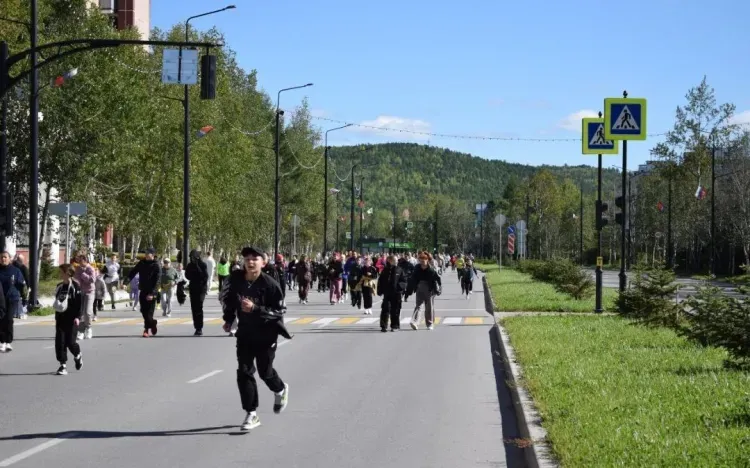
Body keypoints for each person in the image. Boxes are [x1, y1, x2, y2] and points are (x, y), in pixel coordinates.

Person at [221, 246, 292, 431]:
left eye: (255, 258)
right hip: (244, 332)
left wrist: (255, 309)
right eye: (247, 259)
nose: (250, 262)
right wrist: (229, 320)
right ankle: (251, 413)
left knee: (264, 372)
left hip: (266, 334)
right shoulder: (236, 279)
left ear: (263, 262)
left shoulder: (270, 284)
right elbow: (228, 301)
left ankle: (280, 389)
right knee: (244, 371)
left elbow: (279, 312)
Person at [53, 264, 83, 375]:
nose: (60, 274)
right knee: (60, 342)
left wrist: (78, 317)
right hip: (61, 318)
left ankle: (78, 355)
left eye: (61, 272)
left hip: (72, 319)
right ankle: (63, 365)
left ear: (68, 273)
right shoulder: (59, 286)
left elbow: (79, 303)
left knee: (70, 342)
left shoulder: (75, 287)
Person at [127, 248, 160, 337]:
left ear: (153, 255)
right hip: (143, 290)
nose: (146, 255)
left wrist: (153, 294)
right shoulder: (142, 263)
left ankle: (146, 330)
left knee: (149, 312)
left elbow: (157, 281)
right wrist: (126, 281)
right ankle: (153, 323)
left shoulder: (156, 265)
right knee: (143, 310)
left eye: (148, 253)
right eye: (145, 253)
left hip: (152, 292)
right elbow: (133, 272)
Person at [407, 251, 442, 330]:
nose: (422, 261)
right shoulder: (417, 268)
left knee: (429, 307)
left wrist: (439, 288)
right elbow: (413, 279)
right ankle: (415, 322)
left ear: (427, 260)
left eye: (424, 260)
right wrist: (409, 289)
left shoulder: (431, 269)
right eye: (420, 260)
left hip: (430, 289)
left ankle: (429, 324)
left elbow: (438, 279)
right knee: (418, 306)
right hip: (419, 288)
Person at [376, 255, 406, 332]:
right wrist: (380, 290)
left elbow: (404, 281)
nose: (397, 261)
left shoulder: (400, 270)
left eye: (397, 260)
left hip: (397, 294)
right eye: (395, 260)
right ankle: (384, 326)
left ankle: (395, 325)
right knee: (385, 309)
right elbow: (380, 281)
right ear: (390, 261)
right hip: (387, 293)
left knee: (395, 310)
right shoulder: (385, 270)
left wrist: (400, 287)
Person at [73, 250, 97, 340]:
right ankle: (81, 331)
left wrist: (83, 274)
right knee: (81, 312)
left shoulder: (90, 269)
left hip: (90, 292)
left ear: (86, 261)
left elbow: (92, 280)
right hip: (80, 292)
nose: (80, 263)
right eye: (79, 261)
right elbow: (77, 280)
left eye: (81, 261)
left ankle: (88, 328)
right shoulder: (78, 269)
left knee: (87, 311)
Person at [185, 250, 208, 336]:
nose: (191, 259)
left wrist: (197, 267)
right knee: (194, 308)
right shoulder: (189, 266)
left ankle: (199, 328)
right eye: (190, 257)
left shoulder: (202, 265)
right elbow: (187, 276)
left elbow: (205, 277)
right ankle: (197, 327)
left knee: (199, 306)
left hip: (201, 289)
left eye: (193, 257)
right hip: (193, 288)